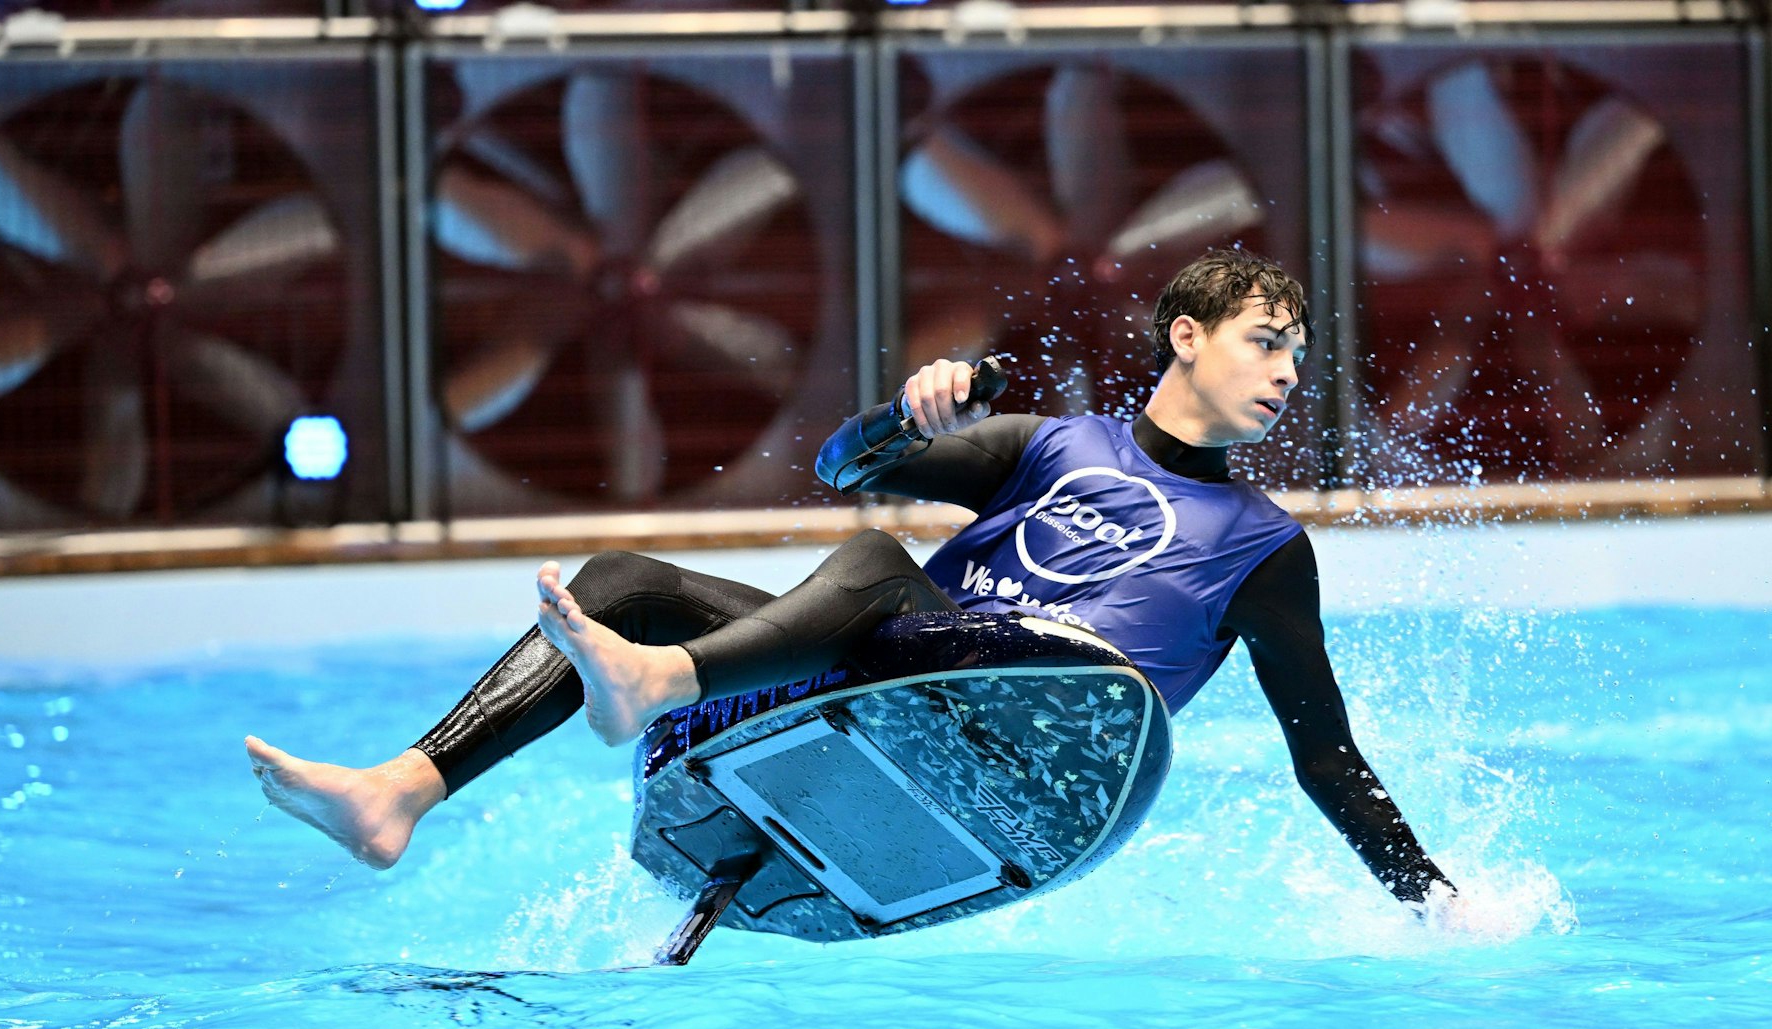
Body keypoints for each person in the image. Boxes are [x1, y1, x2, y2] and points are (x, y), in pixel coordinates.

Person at [247, 247, 1457, 916]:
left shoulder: (1261, 548)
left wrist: (1432, 900)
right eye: (1265, 342)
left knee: (878, 569)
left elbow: (1323, 755)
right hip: (897, 686)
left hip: (1031, 756)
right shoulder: (1050, 444)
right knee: (621, 577)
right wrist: (903, 414)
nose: (1286, 373)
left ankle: (657, 680)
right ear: (1185, 337)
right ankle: (398, 791)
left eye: (1299, 356)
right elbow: (842, 467)